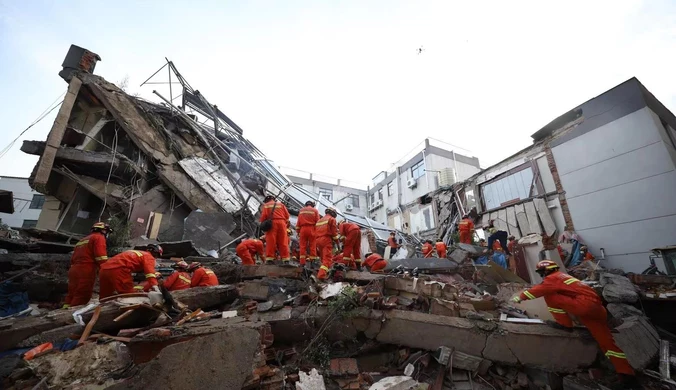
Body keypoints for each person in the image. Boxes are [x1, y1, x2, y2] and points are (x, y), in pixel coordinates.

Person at [513, 260, 636, 386]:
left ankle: (565, 325)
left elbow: (540, 289)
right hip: (597, 309)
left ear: (546, 271)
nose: (541, 275)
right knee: (607, 344)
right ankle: (626, 374)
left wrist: (521, 297)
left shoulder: (553, 278)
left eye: (541, 272)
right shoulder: (564, 277)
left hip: (584, 306)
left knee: (550, 296)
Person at [63, 222, 111, 308]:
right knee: (82, 294)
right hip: (86, 269)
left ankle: (64, 310)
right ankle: (71, 315)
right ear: (104, 231)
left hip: (74, 269)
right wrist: (107, 269)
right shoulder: (99, 238)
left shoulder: (82, 240)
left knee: (72, 293)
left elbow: (73, 258)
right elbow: (101, 256)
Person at [259, 195, 291, 264]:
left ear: (266, 200)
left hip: (272, 223)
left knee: (271, 241)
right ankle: (286, 259)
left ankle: (270, 259)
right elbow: (287, 216)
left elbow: (263, 217)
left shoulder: (266, 205)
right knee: (283, 241)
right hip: (282, 223)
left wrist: (263, 223)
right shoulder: (281, 204)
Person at [316, 208, 340, 280]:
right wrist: (337, 243)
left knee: (323, 259)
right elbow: (334, 233)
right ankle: (321, 275)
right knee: (327, 259)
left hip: (318, 240)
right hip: (326, 240)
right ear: (333, 214)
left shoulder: (319, 220)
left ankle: (323, 273)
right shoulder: (332, 219)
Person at [296, 201, 320, 267]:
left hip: (303, 229)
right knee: (312, 245)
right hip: (312, 228)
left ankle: (302, 263)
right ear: (312, 205)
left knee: (302, 246)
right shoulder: (315, 210)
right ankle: (312, 262)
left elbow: (298, 222)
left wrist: (298, 231)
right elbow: (317, 222)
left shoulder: (301, 210)